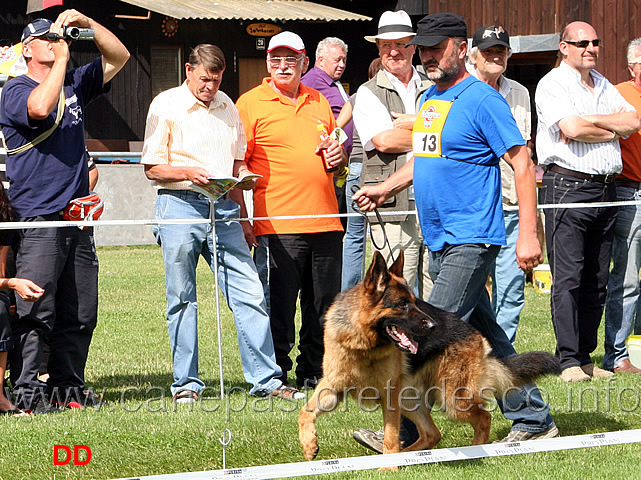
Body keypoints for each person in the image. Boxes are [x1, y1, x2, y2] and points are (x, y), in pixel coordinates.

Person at [353, 12, 558, 448]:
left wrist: (528, 233)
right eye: (422, 49)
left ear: (461, 48)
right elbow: (423, 159)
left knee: (419, 334)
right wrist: (384, 187)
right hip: (439, 238)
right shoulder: (430, 100)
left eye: (435, 47)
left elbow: (522, 162)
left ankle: (406, 433)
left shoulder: (483, 100)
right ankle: (534, 416)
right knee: (488, 335)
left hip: (472, 236)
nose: (427, 56)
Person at [141, 44, 303, 401]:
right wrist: (187, 172)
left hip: (225, 209)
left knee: (250, 293)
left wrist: (244, 183)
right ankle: (186, 385)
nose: (209, 87)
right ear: (188, 70)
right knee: (182, 298)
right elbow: (152, 167)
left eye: (215, 81)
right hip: (179, 204)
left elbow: (235, 164)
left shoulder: (228, 106)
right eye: (203, 80)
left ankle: (268, 381)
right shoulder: (165, 104)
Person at [0, 10, 129, 413]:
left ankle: (67, 387)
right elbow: (40, 108)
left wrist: (88, 24)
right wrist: (60, 62)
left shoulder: (74, 81)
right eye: (48, 39)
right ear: (27, 49)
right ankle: (25, 391)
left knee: (80, 310)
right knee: (36, 308)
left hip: (77, 216)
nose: (58, 43)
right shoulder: (14, 90)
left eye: (60, 39)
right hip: (38, 218)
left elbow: (119, 56)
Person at [236, 31, 346, 390]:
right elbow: (238, 166)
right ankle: (276, 374)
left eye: (290, 60)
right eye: (275, 60)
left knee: (323, 308)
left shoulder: (319, 101)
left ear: (304, 64)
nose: (282, 66)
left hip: (327, 222)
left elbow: (337, 163)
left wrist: (339, 159)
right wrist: (243, 218)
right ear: (268, 63)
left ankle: (315, 372)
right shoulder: (250, 103)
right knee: (279, 308)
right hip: (278, 224)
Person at [536, 22, 640, 382]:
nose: (591, 47)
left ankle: (585, 357)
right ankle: (566, 361)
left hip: (607, 189)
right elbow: (571, 130)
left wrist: (594, 120)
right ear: (564, 47)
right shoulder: (552, 83)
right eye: (582, 43)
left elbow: (634, 120)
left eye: (595, 42)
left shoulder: (603, 83)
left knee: (597, 278)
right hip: (567, 186)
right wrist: (610, 128)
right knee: (569, 277)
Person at [352, 10, 433, 299]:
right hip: (394, 204)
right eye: (386, 45)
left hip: (435, 198)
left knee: (437, 287)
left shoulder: (434, 84)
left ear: (414, 46)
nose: (393, 51)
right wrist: (434, 133)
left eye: (400, 44)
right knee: (397, 291)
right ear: (378, 48)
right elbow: (384, 141)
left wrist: (412, 125)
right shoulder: (368, 92)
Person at [468, 25, 532, 345]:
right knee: (469, 294)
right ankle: (469, 354)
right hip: (472, 209)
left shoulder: (520, 93)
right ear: (473, 54)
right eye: (488, 50)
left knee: (511, 291)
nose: (495, 56)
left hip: (509, 203)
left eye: (501, 50)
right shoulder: (458, 88)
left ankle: (501, 363)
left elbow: (524, 152)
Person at [603, 37, 641, 374]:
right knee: (626, 279)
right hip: (630, 192)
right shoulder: (617, 94)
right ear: (632, 66)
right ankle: (617, 356)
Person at [337, 58, 381, 290]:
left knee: (354, 236)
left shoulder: (357, 96)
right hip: (378, 168)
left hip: (354, 168)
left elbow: (336, 128)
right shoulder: (382, 96)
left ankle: (349, 290)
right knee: (381, 234)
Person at [0, 183, 44, 416]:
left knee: (0, 306)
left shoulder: (3, 220)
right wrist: (14, 283)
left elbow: (0, 275)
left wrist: (12, 283)